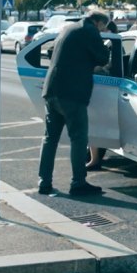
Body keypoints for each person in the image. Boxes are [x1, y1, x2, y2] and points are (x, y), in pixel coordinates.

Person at [37, 10, 110, 196]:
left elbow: (54, 52)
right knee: (79, 139)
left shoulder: (67, 28)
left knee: (50, 139)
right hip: (72, 94)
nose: (102, 31)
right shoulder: (89, 31)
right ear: (99, 22)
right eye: (103, 28)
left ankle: (44, 182)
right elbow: (103, 57)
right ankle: (78, 182)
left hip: (52, 89)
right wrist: (105, 46)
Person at [86, 19, 119, 171]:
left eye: (105, 30)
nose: (102, 33)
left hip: (108, 89)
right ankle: (94, 157)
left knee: (96, 125)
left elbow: (109, 66)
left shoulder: (111, 44)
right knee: (95, 125)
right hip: (105, 89)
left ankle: (94, 159)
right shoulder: (105, 44)